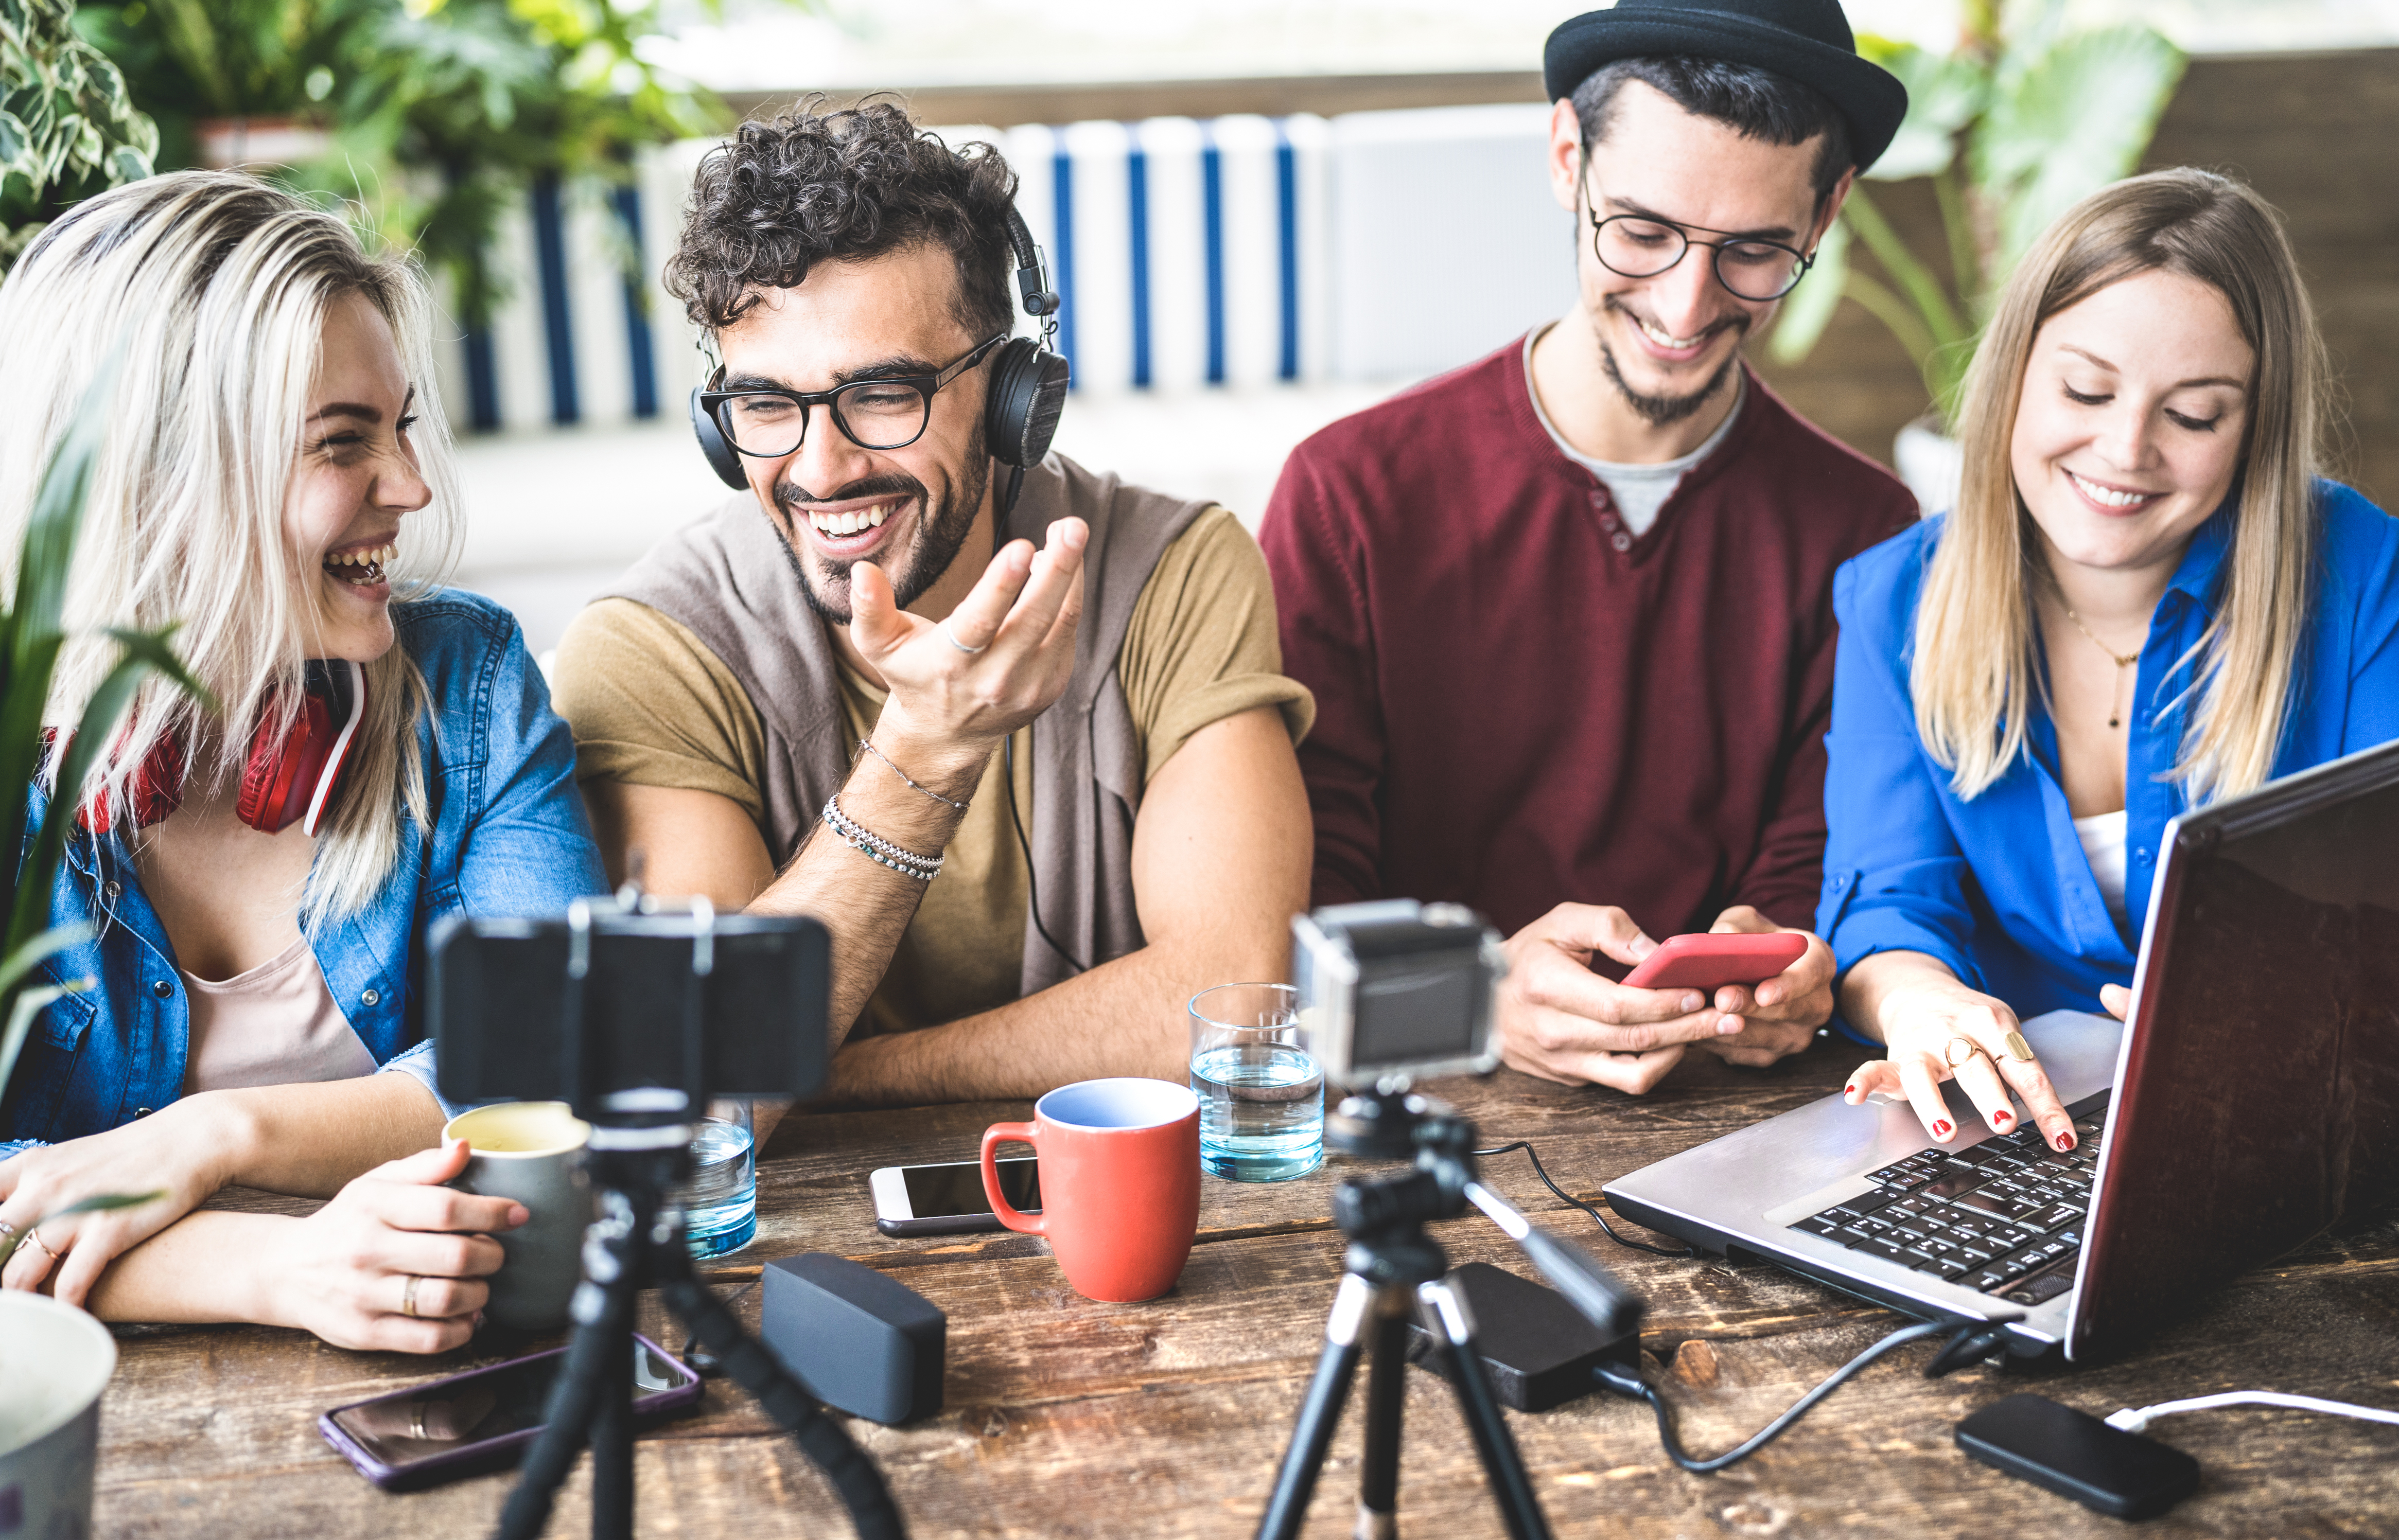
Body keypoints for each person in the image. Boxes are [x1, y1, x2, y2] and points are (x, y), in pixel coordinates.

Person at [551, 102, 1313, 1106]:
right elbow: (707, 1085)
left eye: (881, 395)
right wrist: (925, 749)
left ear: (1013, 395)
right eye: (767, 406)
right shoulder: (647, 652)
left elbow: (1235, 997)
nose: (821, 471)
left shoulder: (1176, 570)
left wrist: (836, 1073)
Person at [1259, 0, 1917, 1095]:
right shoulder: (1350, 496)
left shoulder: (1870, 533)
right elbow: (1291, 912)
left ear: (1827, 211)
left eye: (1753, 252)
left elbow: (1832, 873)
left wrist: (1797, 971)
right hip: (1415, 1109)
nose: (1684, 304)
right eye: (1644, 232)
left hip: (1741, 1118)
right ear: (1569, 157)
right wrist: (1475, 995)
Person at [0, 173, 606, 1350]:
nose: (413, 488)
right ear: (163, 483)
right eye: (344, 444)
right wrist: (274, 1268)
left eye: (403, 426)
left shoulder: (470, 685)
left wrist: (221, 1135)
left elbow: (565, 1046)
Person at [1827, 168, 2399, 1152]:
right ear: (2014, 370)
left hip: (2296, 1119)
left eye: (2192, 415)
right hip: (2011, 1126)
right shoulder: (1892, 598)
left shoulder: (2355, 572)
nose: (2123, 449)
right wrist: (1921, 1000)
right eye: (2084, 389)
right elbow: (1886, 898)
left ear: (2255, 429)